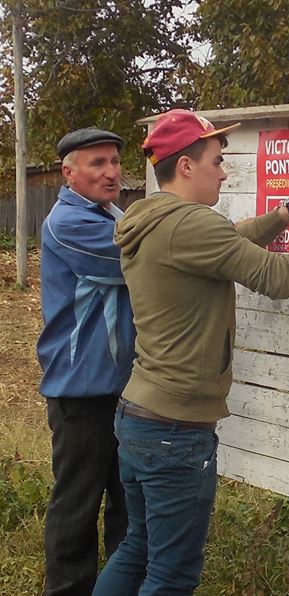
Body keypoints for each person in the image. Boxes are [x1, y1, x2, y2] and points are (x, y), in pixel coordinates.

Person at [92, 109, 289, 594]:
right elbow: (276, 278)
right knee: (171, 574)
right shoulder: (191, 224)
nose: (223, 173)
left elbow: (227, 244)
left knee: (137, 548)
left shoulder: (154, 220)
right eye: (216, 162)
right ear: (186, 166)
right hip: (175, 431)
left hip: (140, 416)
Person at [37, 127, 136, 596]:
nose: (111, 172)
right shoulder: (69, 223)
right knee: (77, 507)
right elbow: (140, 261)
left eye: (114, 161)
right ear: (69, 172)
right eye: (97, 163)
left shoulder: (111, 213)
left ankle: (121, 586)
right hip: (82, 392)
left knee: (127, 502)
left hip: (121, 387)